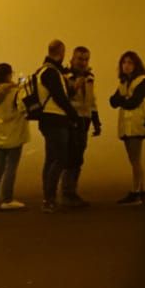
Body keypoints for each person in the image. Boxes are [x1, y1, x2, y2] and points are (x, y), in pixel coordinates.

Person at [32, 39, 77, 212]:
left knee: (50, 159)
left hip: (46, 119)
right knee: (59, 159)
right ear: (62, 52)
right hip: (56, 119)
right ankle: (49, 199)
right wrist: (73, 116)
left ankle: (48, 197)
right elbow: (59, 97)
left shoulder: (42, 70)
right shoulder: (51, 72)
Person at [108, 50, 145, 205]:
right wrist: (122, 99)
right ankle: (141, 191)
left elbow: (133, 102)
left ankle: (137, 192)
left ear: (136, 65)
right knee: (134, 160)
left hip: (136, 124)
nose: (126, 66)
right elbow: (113, 101)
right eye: (124, 62)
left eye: (130, 62)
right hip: (127, 125)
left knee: (135, 160)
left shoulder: (142, 81)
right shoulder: (124, 82)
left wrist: (122, 99)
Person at [0, 63, 28, 210]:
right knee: (11, 167)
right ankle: (7, 199)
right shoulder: (14, 91)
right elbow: (23, 108)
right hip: (14, 132)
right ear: (8, 74)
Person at [61, 45, 101, 208]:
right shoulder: (65, 76)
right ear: (72, 59)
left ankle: (72, 191)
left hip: (85, 120)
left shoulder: (90, 77)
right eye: (80, 59)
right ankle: (66, 193)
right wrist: (76, 83)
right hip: (71, 120)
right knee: (70, 157)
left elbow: (91, 101)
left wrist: (96, 121)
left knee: (78, 157)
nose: (83, 62)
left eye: (86, 59)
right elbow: (64, 97)